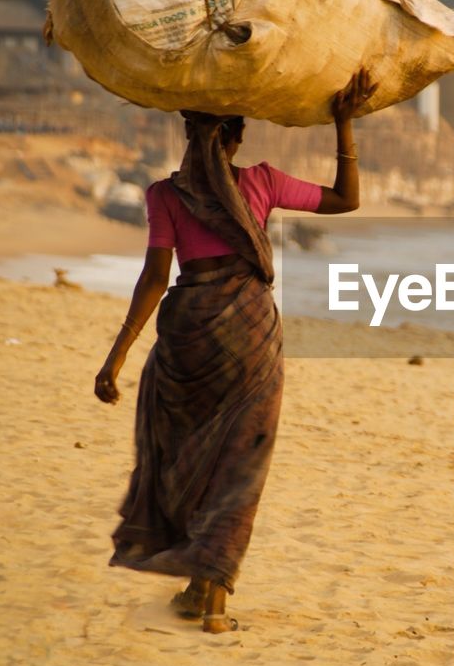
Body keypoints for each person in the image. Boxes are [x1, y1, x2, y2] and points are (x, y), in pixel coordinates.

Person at [94, 69, 376, 633]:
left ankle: (199, 585)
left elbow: (154, 278)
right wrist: (344, 120)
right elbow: (347, 199)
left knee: (190, 458)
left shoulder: (164, 196)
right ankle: (215, 600)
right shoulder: (262, 184)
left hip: (187, 341)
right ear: (235, 139)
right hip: (249, 337)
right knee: (239, 464)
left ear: (191, 137)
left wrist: (117, 355)